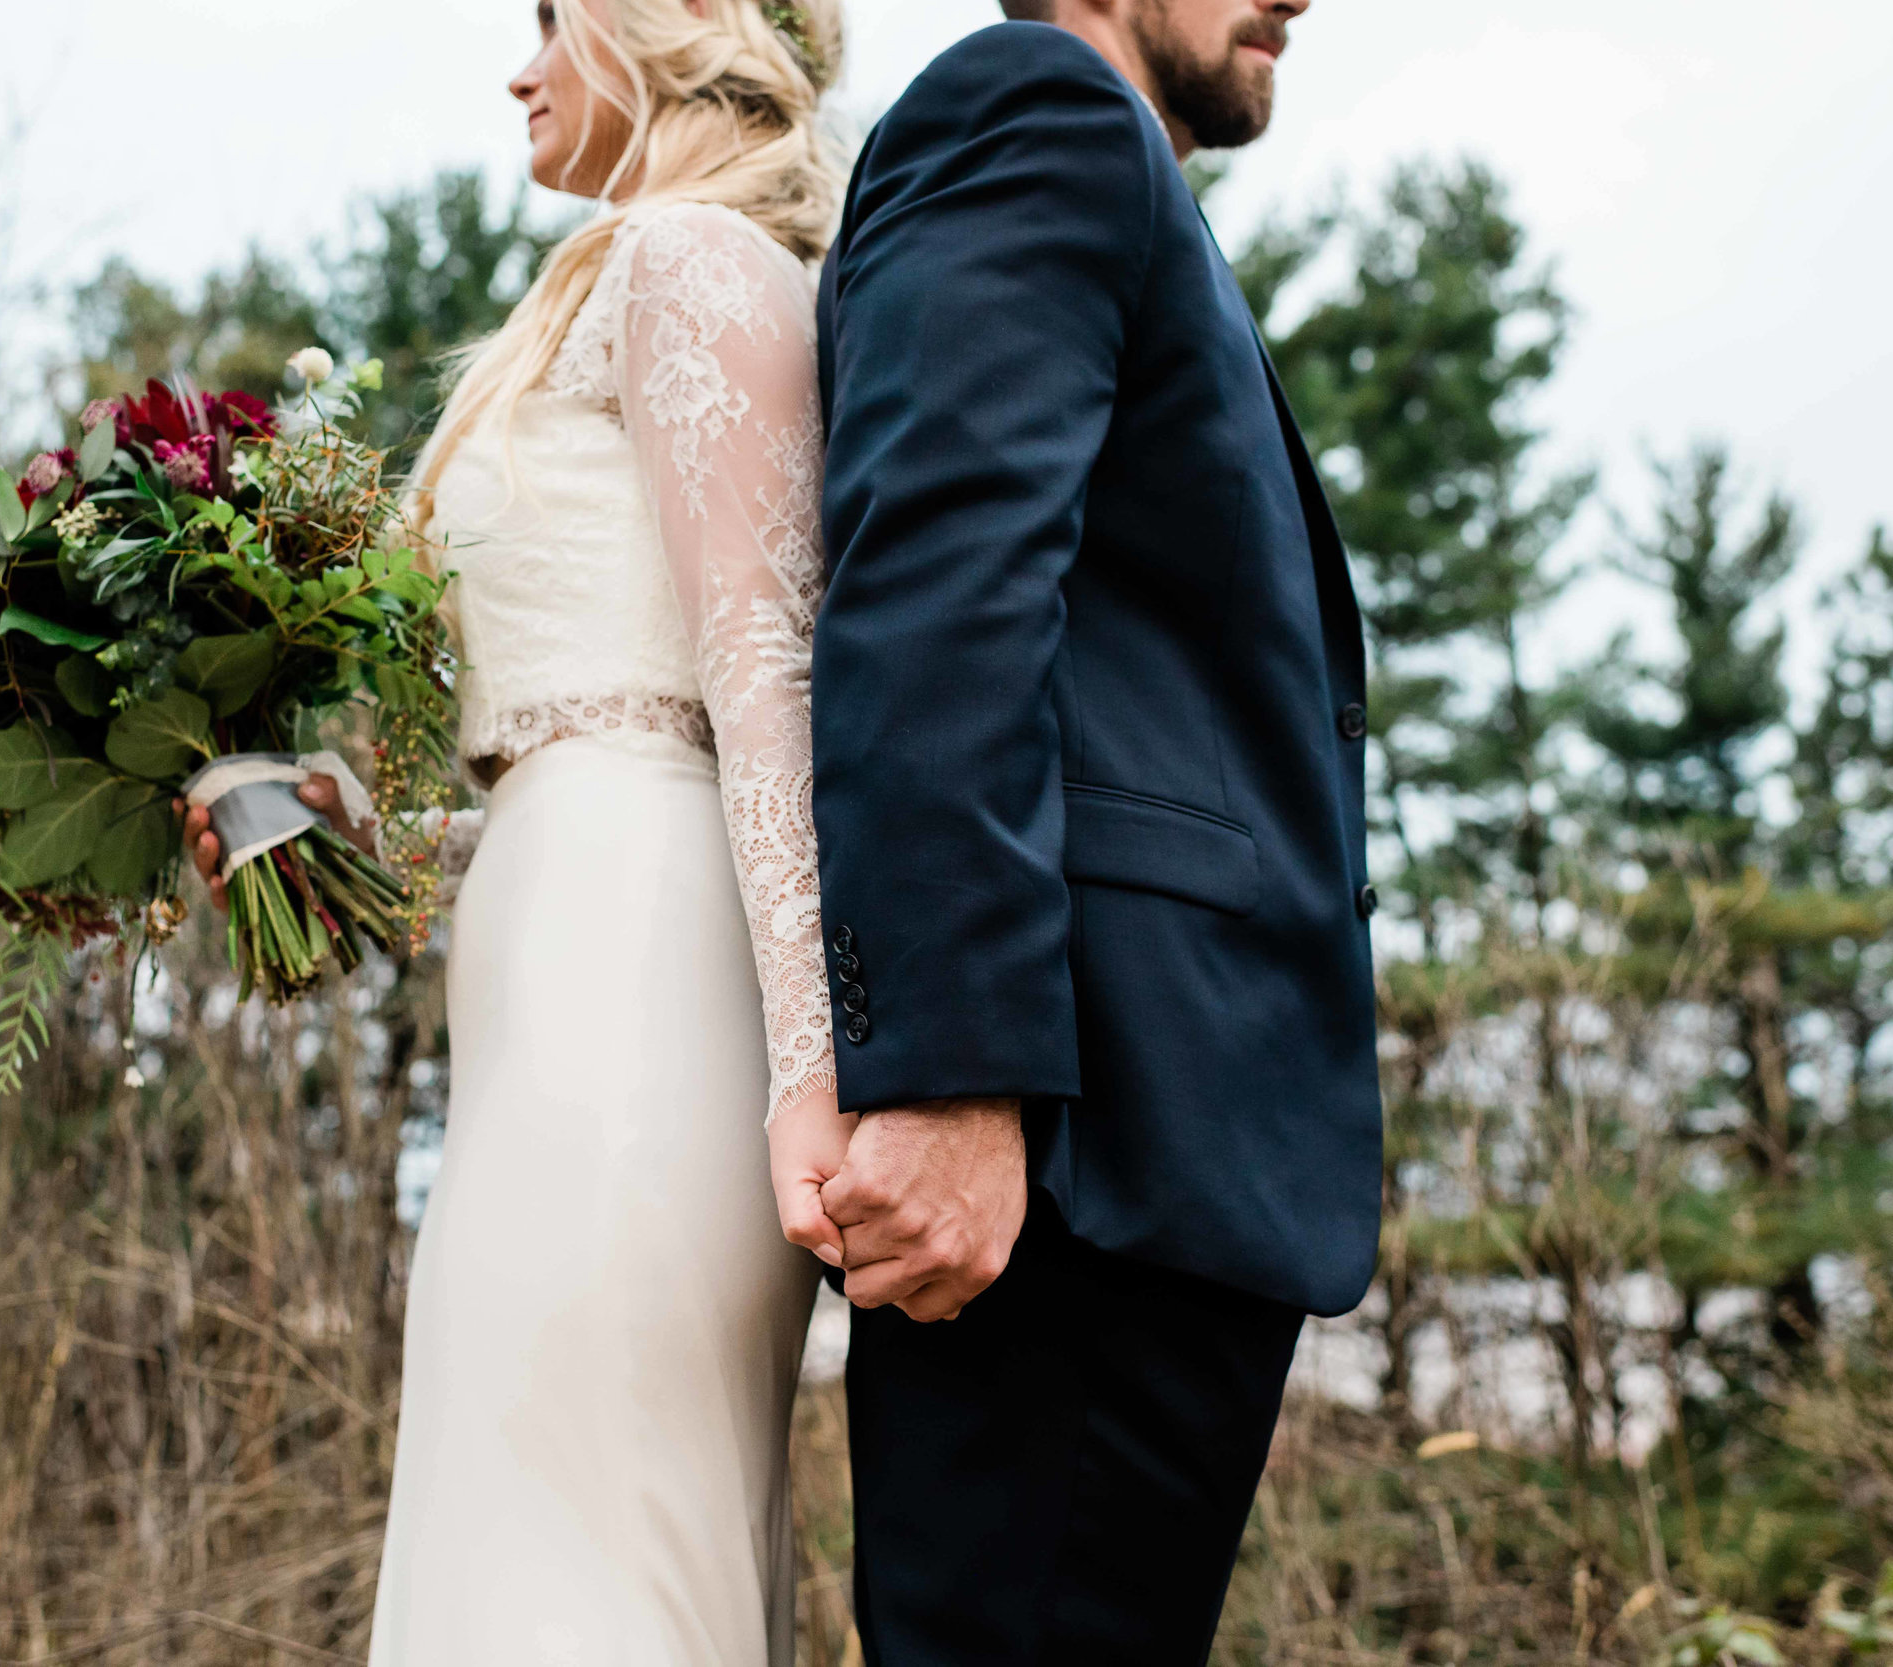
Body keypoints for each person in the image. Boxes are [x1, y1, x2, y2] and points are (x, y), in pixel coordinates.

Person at [180, 0, 853, 1657]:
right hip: (553, 954)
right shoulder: (602, 281)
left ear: (669, 22)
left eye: (557, 16)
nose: (522, 61)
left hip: (648, 987)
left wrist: (814, 1070)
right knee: (514, 1532)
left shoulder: (696, 264)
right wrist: (344, 819)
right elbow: (590, 719)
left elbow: (763, 683)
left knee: (590, 1553)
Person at [801, 0, 1384, 1659]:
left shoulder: (1112, 172)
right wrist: (953, 1078)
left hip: (1164, 1157)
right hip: (1073, 1149)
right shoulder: (1031, 109)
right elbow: (935, 582)